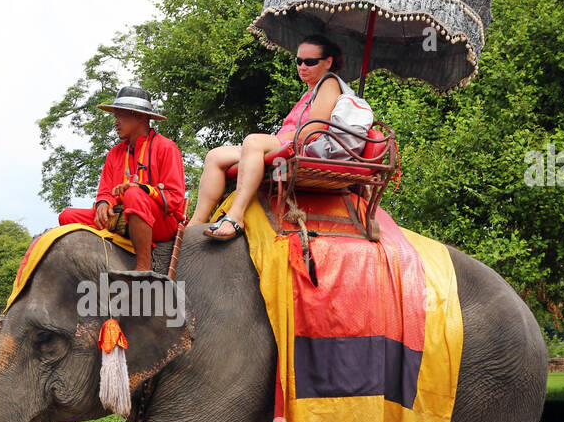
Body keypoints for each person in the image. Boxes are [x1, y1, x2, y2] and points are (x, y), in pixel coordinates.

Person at [188, 34, 351, 241]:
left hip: (306, 144)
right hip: (290, 140)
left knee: (253, 141)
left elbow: (316, 128)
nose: (302, 67)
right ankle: (196, 223)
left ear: (328, 62)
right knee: (215, 156)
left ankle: (236, 216)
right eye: (298, 61)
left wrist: (272, 142)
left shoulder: (329, 83)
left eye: (310, 62)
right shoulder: (310, 90)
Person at [58, 86, 187, 271]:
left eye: (120, 116)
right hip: (120, 218)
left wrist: (143, 190)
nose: (116, 122)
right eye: (115, 117)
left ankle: (143, 267)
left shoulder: (166, 147)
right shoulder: (114, 153)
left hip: (160, 222)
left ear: (140, 117)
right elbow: (104, 191)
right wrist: (103, 204)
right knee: (67, 216)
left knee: (133, 194)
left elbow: (175, 199)